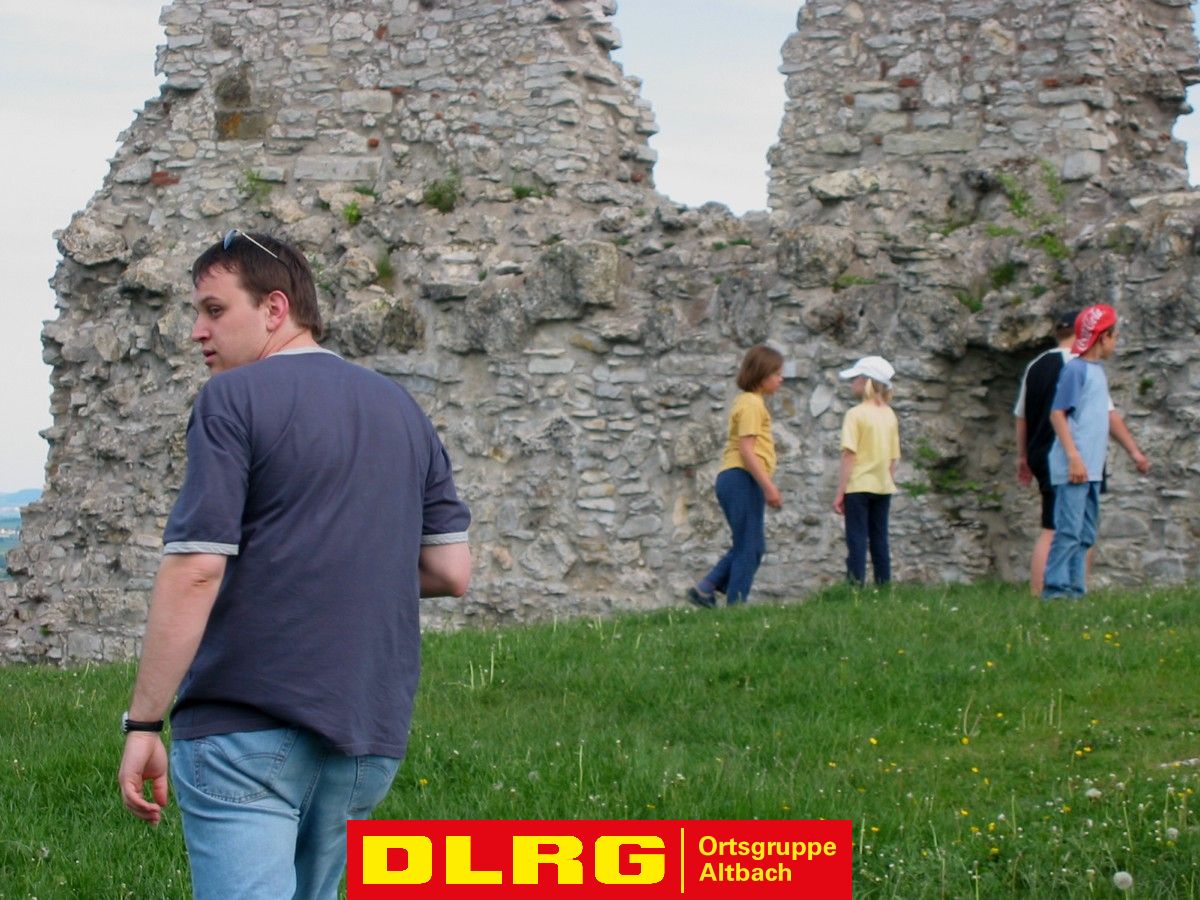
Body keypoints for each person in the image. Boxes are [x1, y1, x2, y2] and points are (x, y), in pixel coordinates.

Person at [117, 230, 472, 899]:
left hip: (246, 729)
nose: (197, 331)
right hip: (367, 736)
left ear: (275, 308)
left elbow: (196, 569)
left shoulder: (232, 398)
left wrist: (142, 724)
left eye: (215, 310)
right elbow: (452, 569)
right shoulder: (402, 408)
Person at [1015, 310, 1149, 595]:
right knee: (1065, 530)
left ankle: (1075, 591)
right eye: (1114, 335)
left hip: (1090, 466)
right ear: (1102, 337)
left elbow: (1024, 415)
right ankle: (1055, 592)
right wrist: (1074, 457)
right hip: (1073, 465)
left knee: (1085, 533)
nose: (1116, 341)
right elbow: (1058, 413)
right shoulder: (1075, 370)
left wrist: (1134, 454)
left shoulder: (1093, 371)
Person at [687, 344, 784, 608]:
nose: (781, 379)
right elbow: (746, 450)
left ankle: (706, 588)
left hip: (740, 479)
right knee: (749, 547)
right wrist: (768, 487)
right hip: (742, 479)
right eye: (776, 373)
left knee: (750, 545)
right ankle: (735, 607)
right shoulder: (752, 404)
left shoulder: (750, 402)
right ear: (762, 375)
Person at [833, 356, 900, 586]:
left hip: (858, 486)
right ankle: (883, 584)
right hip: (882, 486)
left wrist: (841, 491)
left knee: (857, 539)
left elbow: (849, 455)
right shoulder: (890, 415)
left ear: (866, 381)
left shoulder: (855, 414)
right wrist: (886, 480)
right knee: (880, 539)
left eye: (855, 378)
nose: (852, 383)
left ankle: (855, 586)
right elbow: (893, 457)